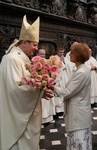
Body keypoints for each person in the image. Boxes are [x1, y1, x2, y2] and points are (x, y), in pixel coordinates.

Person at [0, 15, 53, 150]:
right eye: (34, 44)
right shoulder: (12, 59)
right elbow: (15, 91)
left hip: (26, 116)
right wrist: (40, 92)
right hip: (16, 121)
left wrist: (41, 88)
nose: (36, 48)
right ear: (24, 42)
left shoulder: (23, 58)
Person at [50, 42, 92, 150]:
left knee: (78, 143)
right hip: (79, 113)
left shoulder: (81, 72)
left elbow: (66, 92)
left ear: (78, 55)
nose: (69, 54)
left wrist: (51, 86)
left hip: (78, 115)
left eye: (72, 52)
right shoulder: (80, 69)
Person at [36, 48, 56, 125]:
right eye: (41, 54)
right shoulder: (34, 63)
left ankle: (48, 118)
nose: (42, 55)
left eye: (44, 54)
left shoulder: (48, 62)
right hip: (39, 86)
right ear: (37, 54)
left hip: (47, 85)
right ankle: (41, 119)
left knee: (47, 102)